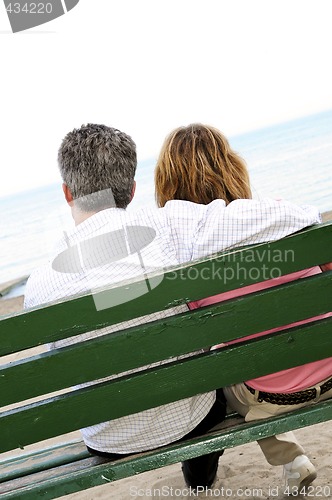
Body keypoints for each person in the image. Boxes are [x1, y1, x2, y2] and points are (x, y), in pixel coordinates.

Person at [24, 123, 321, 491]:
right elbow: (285, 216)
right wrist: (306, 215)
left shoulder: (39, 284)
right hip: (189, 419)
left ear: (67, 193)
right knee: (205, 381)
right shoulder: (169, 225)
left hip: (107, 440)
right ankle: (202, 480)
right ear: (132, 190)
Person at [154, 122, 332, 493]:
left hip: (266, 397)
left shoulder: (182, 261)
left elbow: (194, 343)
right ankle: (290, 456)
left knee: (224, 371)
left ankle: (289, 456)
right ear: (233, 167)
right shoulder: (285, 215)